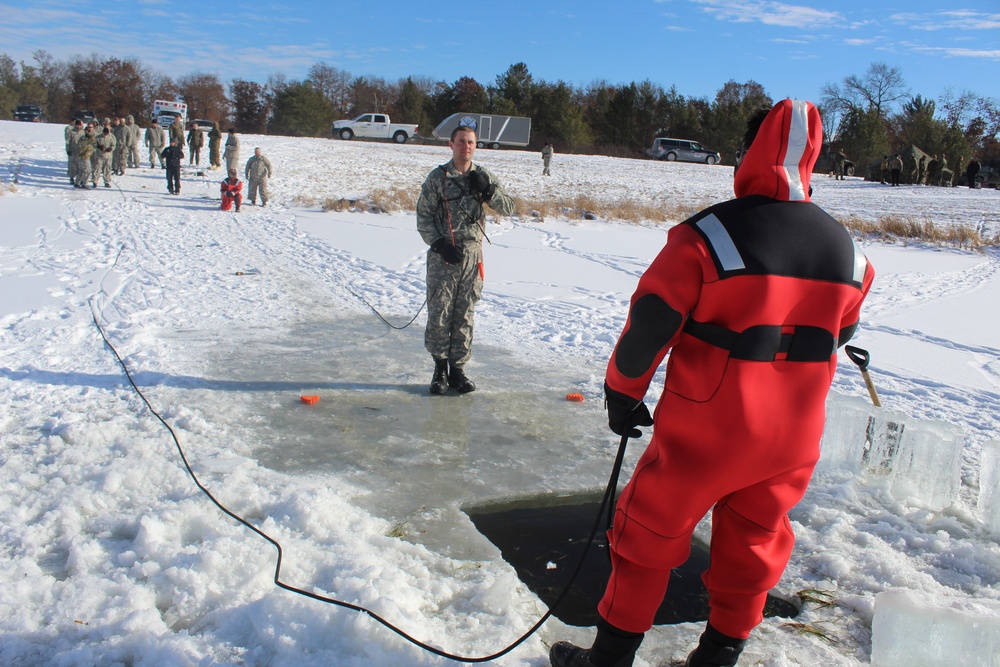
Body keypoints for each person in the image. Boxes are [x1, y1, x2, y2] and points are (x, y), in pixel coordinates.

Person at [548, 99, 875, 667]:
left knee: (646, 532)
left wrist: (623, 394)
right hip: (791, 441)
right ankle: (717, 659)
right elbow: (840, 332)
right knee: (755, 543)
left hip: (709, 432)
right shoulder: (853, 256)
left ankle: (607, 661)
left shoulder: (708, 236)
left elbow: (649, 326)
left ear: (751, 152)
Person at [416, 118, 515, 395]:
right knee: (440, 313)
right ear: (451, 145)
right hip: (443, 256)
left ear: (475, 146)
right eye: (461, 141)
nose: (466, 146)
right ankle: (440, 370)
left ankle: (458, 370)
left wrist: (490, 190)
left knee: (464, 314)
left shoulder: (483, 175)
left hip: (472, 256)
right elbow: (423, 217)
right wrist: (438, 244)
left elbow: (508, 207)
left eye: (470, 142)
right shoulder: (438, 178)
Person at [73, 125, 96, 189]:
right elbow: (93, 142)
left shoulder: (83, 138)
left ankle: (77, 183)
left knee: (81, 170)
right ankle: (84, 184)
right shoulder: (85, 138)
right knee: (87, 171)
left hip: (82, 157)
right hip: (84, 157)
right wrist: (90, 136)